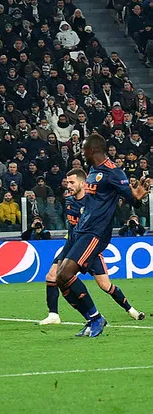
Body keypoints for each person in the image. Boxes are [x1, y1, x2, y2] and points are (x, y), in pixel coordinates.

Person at [55, 136, 149, 337]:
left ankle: (96, 318)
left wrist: (138, 198)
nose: (81, 153)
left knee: (66, 274)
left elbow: (133, 199)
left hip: (95, 233)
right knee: (59, 278)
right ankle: (91, 319)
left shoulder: (114, 172)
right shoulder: (93, 171)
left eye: (83, 149)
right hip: (81, 229)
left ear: (93, 150)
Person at [41, 168, 145, 325]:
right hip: (71, 245)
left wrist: (132, 196)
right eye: (67, 182)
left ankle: (130, 310)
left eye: (72, 182)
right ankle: (54, 314)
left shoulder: (94, 203)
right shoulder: (69, 201)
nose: (68, 186)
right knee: (51, 276)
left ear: (83, 184)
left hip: (89, 249)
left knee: (105, 285)